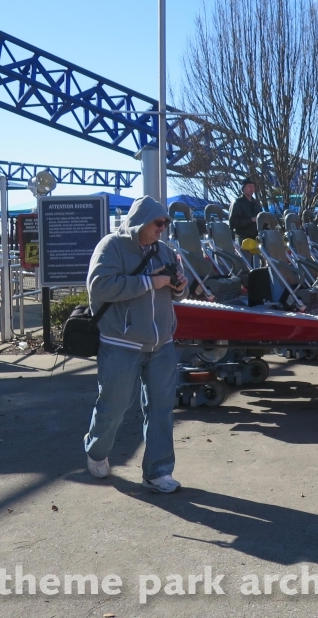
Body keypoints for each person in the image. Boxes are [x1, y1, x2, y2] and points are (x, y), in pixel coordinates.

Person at [83, 196, 189, 493]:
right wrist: (148, 282)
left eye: (165, 223)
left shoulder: (165, 250)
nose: (162, 228)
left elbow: (179, 291)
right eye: (158, 222)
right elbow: (99, 286)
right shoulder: (111, 246)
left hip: (162, 344)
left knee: (161, 410)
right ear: (141, 221)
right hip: (121, 343)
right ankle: (96, 449)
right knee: (114, 405)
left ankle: (157, 472)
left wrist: (179, 285)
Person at [229, 178, 262, 242]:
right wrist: (251, 220)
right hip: (242, 238)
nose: (251, 188)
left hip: (256, 238)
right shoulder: (237, 203)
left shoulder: (256, 203)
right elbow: (233, 222)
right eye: (249, 186)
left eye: (253, 186)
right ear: (243, 188)